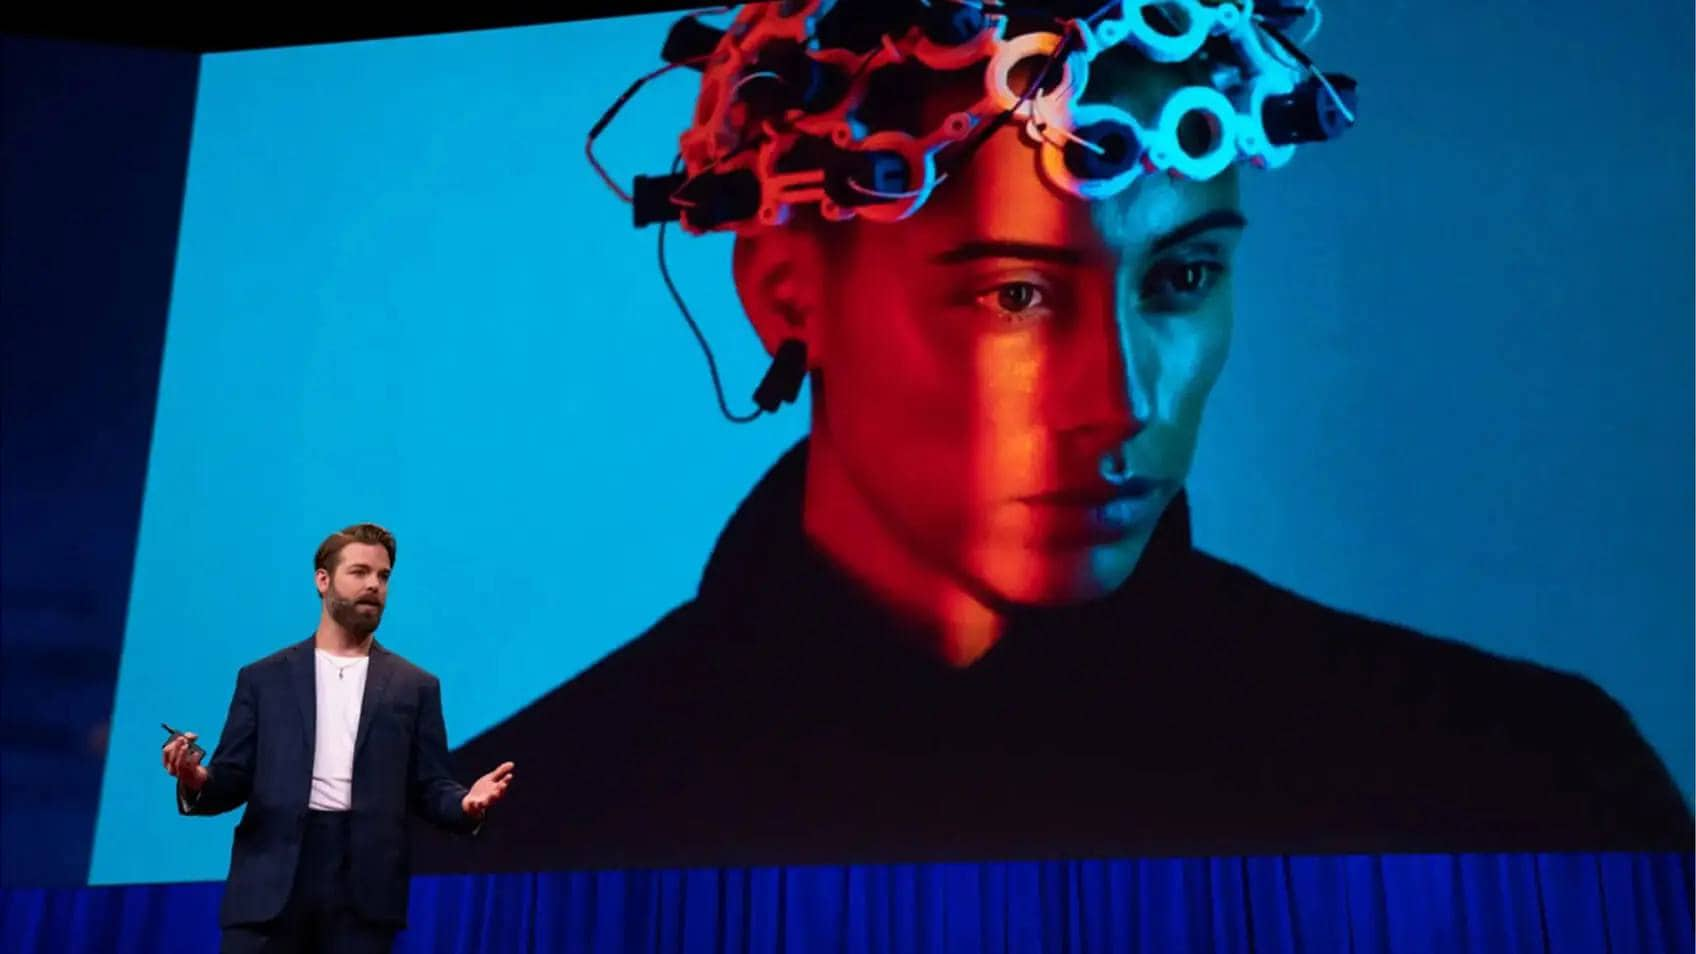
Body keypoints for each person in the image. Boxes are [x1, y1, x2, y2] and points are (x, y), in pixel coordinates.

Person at [417, 0, 1691, 873]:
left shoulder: (1525, 783)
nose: (1124, 400)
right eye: (1013, 295)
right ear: (783, 289)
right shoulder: (488, 838)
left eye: (1182, 279)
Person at [162, 523, 515, 953]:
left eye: (383, 577)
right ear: (322, 579)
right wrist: (195, 778)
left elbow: (430, 785)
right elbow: (231, 777)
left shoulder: (415, 686)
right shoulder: (263, 680)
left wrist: (465, 805)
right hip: (270, 884)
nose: (374, 585)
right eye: (360, 572)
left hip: (363, 891)